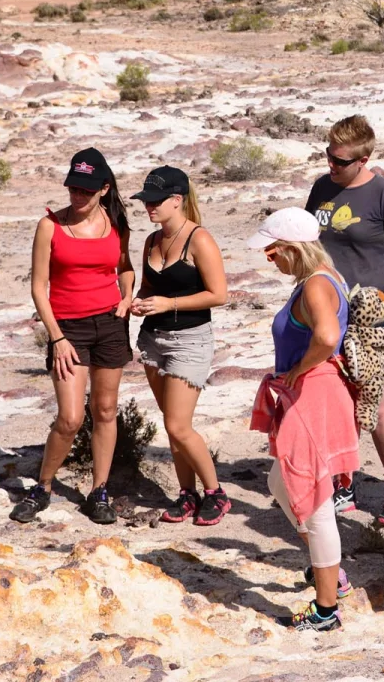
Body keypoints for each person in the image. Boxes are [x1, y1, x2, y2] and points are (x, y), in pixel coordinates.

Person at [246, 208, 360, 633]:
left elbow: (328, 337)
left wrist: (298, 369)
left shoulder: (315, 284)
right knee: (281, 482)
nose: (269, 261)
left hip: (314, 394)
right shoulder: (328, 276)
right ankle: (331, 572)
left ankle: (326, 609)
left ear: (293, 249)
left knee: (313, 501)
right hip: (318, 393)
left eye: (273, 253)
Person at [12, 148, 135, 526]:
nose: (77, 197)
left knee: (105, 410)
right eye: (72, 189)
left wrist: (128, 295)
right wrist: (56, 337)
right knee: (69, 417)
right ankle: (43, 486)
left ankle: (99, 491)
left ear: (103, 188)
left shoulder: (116, 221)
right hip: (68, 328)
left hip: (110, 324)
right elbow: (38, 287)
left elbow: (124, 267)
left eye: (85, 190)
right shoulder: (49, 226)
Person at [305, 115, 384, 526]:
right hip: (328, 310)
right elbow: (309, 245)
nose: (331, 165)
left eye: (339, 160)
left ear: (363, 158)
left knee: (376, 399)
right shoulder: (322, 188)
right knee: (335, 399)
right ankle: (343, 483)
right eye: (328, 156)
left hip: (374, 317)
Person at [129, 166, 231, 526]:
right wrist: (136, 301)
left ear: (177, 200)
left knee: (178, 425)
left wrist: (168, 304)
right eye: (145, 201)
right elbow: (147, 289)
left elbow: (219, 294)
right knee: (172, 423)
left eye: (155, 201)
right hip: (153, 340)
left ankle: (216, 493)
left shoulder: (199, 239)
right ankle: (187, 494)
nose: (149, 207)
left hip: (189, 340)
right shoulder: (151, 241)